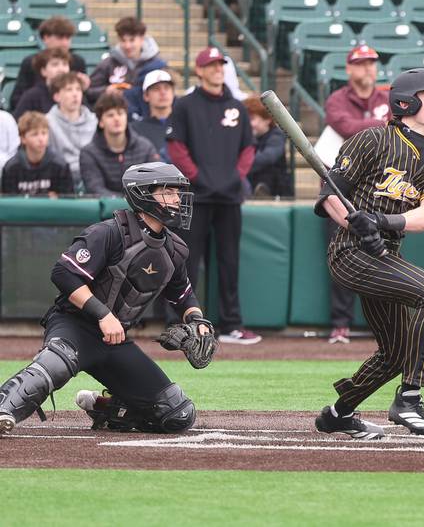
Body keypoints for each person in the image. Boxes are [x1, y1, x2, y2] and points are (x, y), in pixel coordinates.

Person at [0, 163, 210, 437]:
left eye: (178, 192)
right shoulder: (109, 232)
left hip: (114, 340)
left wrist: (197, 321)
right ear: (143, 194)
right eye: (168, 191)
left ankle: (107, 407)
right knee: (54, 364)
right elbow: (64, 274)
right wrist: (103, 314)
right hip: (75, 325)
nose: (176, 199)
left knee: (177, 414)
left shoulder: (175, 249)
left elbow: (183, 294)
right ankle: (4, 408)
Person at [313, 68, 424, 440]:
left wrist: (381, 221)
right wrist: (353, 223)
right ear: (406, 102)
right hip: (350, 253)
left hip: (385, 255)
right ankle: (409, 399)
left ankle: (338, 413)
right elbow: (330, 194)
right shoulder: (371, 140)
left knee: (395, 353)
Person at [167, 47, 260, 345]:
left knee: (229, 262)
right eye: (212, 65)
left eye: (221, 64)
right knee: (187, 261)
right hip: (196, 196)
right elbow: (176, 146)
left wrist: (235, 177)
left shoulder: (237, 106)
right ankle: (184, 324)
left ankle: (232, 324)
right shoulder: (184, 105)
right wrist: (196, 176)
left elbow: (248, 148)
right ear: (200, 70)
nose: (218, 69)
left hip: (229, 197)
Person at [322, 44, 391, 344]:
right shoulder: (337, 99)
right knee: (342, 255)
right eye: (360, 63)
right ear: (349, 68)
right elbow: (344, 126)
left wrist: (374, 128)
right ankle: (341, 323)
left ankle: (384, 324)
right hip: (342, 188)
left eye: (371, 63)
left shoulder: (387, 98)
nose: (367, 68)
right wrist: (380, 126)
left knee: (384, 254)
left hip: (378, 187)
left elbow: (397, 127)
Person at [80, 93, 160, 196]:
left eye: (120, 113)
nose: (116, 119)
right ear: (101, 122)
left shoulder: (145, 148)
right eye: (110, 115)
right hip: (107, 210)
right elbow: (96, 189)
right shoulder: (89, 153)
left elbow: (156, 183)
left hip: (142, 209)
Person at [10, 16, 89, 110]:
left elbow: (84, 101)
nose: (64, 43)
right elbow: (16, 99)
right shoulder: (31, 62)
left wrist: (84, 88)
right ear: (46, 38)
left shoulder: (77, 62)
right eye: (60, 37)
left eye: (68, 38)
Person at [86, 17, 166, 107]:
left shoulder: (156, 64)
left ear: (142, 39)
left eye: (132, 40)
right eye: (123, 40)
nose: (127, 46)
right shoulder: (109, 63)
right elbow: (89, 91)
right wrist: (106, 91)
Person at [46, 71, 98, 190]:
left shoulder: (95, 121)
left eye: (78, 89)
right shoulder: (47, 122)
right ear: (57, 96)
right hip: (60, 179)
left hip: (92, 176)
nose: (75, 94)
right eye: (69, 90)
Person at [1, 111, 73, 196]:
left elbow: (68, 201)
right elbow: (8, 203)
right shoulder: (11, 168)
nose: (41, 139)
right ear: (23, 138)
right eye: (35, 134)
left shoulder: (60, 166)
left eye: (44, 133)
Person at [242, 96, 290, 197]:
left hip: (275, 186)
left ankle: (262, 193)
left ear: (267, 119)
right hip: (250, 181)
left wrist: (243, 164)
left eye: (252, 119)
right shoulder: (245, 136)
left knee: (268, 170)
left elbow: (268, 157)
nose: (248, 124)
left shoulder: (276, 135)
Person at [13, 48, 71, 120]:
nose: (61, 69)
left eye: (65, 64)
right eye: (55, 65)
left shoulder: (76, 92)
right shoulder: (32, 96)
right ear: (43, 71)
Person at [131, 69, 175, 163]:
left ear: (173, 93)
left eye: (167, 88)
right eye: (156, 89)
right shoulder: (135, 129)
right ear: (146, 96)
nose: (163, 92)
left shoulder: (185, 124)